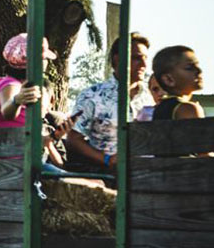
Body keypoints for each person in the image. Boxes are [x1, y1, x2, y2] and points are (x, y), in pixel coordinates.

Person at [66, 33, 154, 171]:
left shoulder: (150, 97)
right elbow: (73, 139)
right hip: (107, 174)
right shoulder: (93, 95)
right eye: (136, 58)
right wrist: (107, 160)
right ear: (117, 59)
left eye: (145, 58)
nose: (144, 64)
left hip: (146, 172)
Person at [0, 33, 56, 129]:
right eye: (45, 59)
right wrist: (16, 101)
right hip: (7, 143)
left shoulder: (15, 84)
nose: (47, 63)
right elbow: (7, 112)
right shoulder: (11, 85)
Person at [152, 46, 206, 120]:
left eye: (197, 65)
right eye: (189, 67)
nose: (199, 71)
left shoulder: (158, 109)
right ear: (169, 79)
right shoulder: (188, 109)